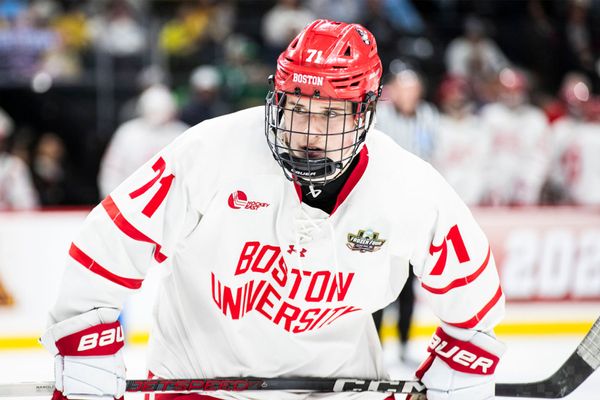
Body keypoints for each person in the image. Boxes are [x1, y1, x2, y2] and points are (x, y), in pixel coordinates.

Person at [41, 20, 505, 400]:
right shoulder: (212, 151)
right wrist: (83, 339)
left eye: (330, 115)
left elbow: (470, 283)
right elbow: (113, 238)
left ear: (365, 112)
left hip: (339, 390)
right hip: (201, 385)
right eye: (297, 109)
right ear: (276, 99)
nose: (308, 131)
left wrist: (465, 351)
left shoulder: (404, 183)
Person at [98, 84, 189, 198]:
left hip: (173, 203)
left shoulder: (182, 133)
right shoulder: (128, 133)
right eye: (153, 112)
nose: (158, 118)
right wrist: (112, 201)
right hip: (130, 203)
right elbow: (111, 170)